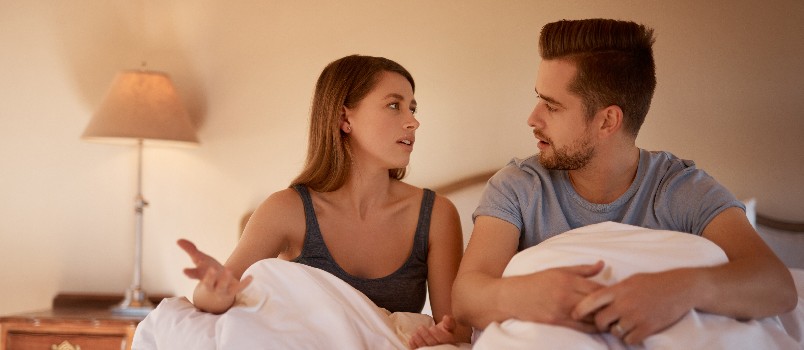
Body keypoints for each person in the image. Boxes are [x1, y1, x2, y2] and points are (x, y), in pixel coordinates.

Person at [452, 19, 797, 345]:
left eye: (552, 106)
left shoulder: (680, 188)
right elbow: (466, 297)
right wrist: (526, 295)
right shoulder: (518, 186)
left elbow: (778, 285)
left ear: (607, 121)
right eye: (538, 98)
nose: (533, 118)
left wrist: (681, 288)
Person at [178, 54, 471, 347]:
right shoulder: (286, 211)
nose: (413, 122)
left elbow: (458, 331)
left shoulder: (435, 215)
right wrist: (212, 289)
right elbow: (214, 299)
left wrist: (437, 337)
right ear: (344, 118)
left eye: (413, 108)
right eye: (394, 105)